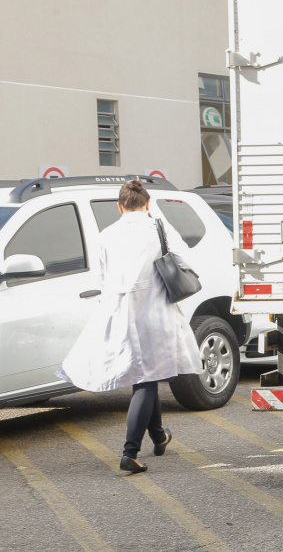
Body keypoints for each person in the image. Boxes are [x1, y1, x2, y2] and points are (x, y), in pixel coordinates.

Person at [57, 180, 202, 474]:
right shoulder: (158, 226)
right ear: (147, 204)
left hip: (119, 314)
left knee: (146, 374)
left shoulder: (107, 234)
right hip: (153, 314)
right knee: (148, 378)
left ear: (119, 207)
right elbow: (185, 258)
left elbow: (100, 278)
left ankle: (159, 437)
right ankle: (129, 453)